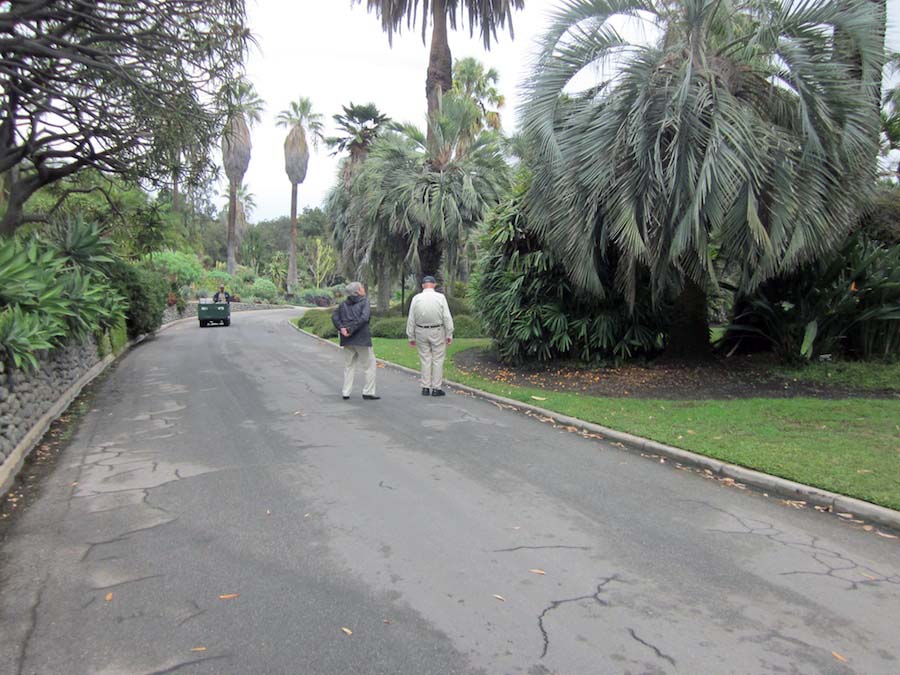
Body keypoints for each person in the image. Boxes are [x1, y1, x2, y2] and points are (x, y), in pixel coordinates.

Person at [406, 275, 454, 397]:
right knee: (438, 359)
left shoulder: (416, 298)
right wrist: (449, 333)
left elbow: (411, 318)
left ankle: (425, 387)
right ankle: (436, 388)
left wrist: (411, 336)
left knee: (425, 359)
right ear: (434, 284)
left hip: (421, 331)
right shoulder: (440, 297)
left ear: (422, 285)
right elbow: (447, 317)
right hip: (437, 330)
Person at [332, 281, 379, 401]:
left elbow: (335, 316)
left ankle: (346, 392)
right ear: (357, 291)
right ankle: (368, 392)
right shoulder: (365, 302)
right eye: (362, 287)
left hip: (347, 340)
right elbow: (364, 318)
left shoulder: (343, 304)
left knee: (349, 366)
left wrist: (342, 328)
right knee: (369, 365)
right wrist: (350, 329)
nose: (364, 288)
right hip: (362, 339)